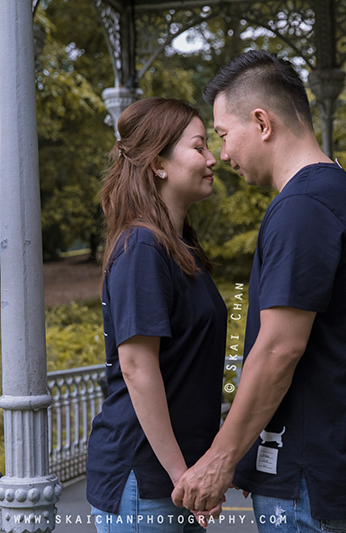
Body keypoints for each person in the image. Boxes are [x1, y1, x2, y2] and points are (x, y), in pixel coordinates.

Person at [171, 50, 346, 532]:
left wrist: (221, 459)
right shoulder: (336, 193)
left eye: (225, 135)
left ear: (262, 122)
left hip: (303, 477)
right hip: (316, 465)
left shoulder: (303, 208)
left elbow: (278, 349)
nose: (222, 154)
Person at [86, 97, 227, 532]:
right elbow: (136, 368)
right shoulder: (142, 247)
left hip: (173, 479)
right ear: (158, 164)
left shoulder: (179, 247)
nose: (213, 159)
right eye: (199, 147)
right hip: (145, 481)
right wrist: (181, 475)